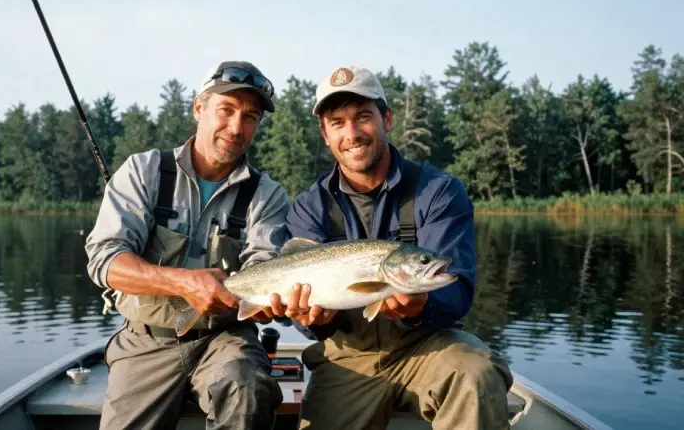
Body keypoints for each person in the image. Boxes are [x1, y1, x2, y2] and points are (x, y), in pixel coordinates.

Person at [261, 66, 514, 429]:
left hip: (429, 346)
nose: (352, 133)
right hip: (347, 357)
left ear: (387, 119)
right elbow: (308, 322)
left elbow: (457, 288)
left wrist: (418, 307)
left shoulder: (438, 191)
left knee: (476, 374)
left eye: (363, 117)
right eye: (337, 122)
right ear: (325, 134)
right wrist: (309, 321)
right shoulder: (309, 206)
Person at [84, 61, 290, 430]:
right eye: (226, 110)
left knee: (248, 387)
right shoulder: (144, 171)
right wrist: (183, 283)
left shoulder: (267, 195)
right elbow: (105, 261)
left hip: (227, 337)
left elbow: (266, 269)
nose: (236, 127)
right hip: (146, 338)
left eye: (250, 117)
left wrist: (270, 305)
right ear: (199, 108)